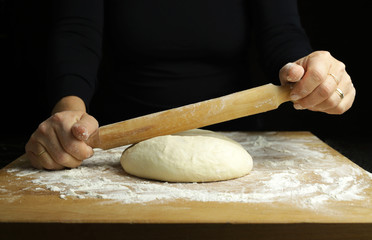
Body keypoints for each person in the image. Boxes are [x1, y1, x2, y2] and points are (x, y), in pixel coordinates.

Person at [25, 0, 355, 170]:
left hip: (236, 135)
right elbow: (78, 32)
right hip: (114, 141)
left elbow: (281, 33)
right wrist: (69, 113)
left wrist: (309, 72)